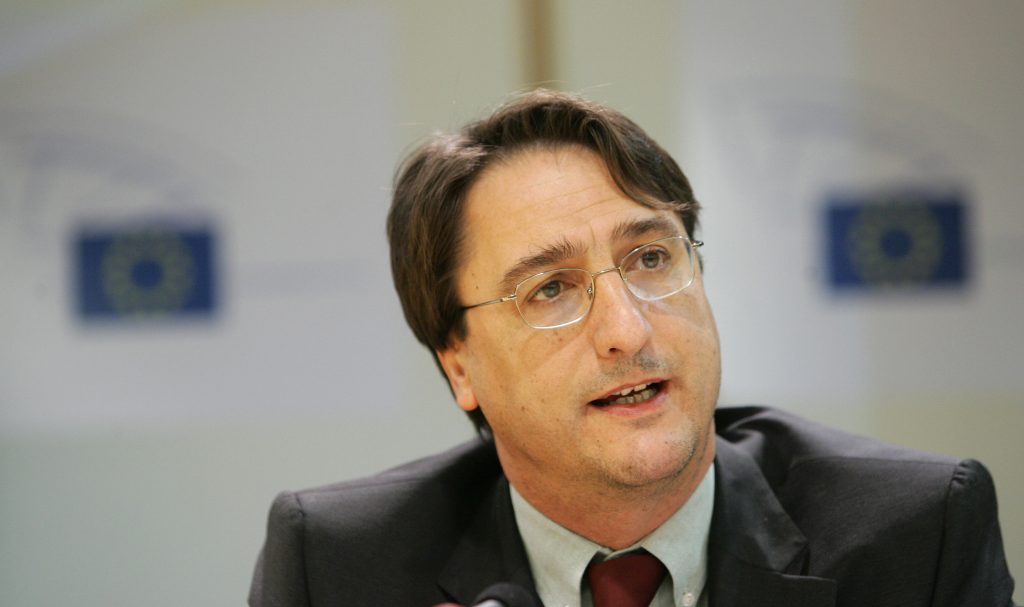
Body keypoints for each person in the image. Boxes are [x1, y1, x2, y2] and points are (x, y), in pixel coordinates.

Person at [249, 90, 1017, 606]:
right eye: (550, 288)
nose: (629, 329)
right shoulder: (341, 568)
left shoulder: (917, 536)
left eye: (651, 258)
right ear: (459, 363)